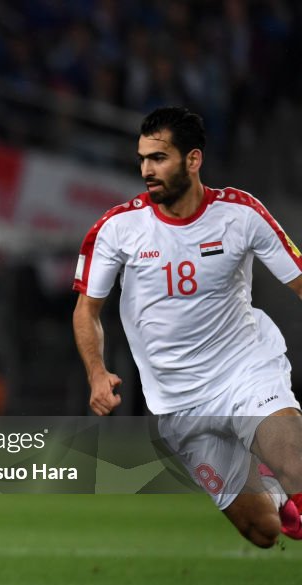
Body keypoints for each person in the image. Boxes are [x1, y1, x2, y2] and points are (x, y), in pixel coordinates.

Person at [73, 105, 302, 549]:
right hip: (179, 405)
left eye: (158, 158)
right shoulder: (118, 228)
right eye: (142, 159)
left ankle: (283, 470)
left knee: (295, 464)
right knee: (264, 532)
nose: (146, 169)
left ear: (192, 160)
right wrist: (96, 373)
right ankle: (274, 490)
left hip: (247, 372)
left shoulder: (241, 215)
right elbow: (87, 310)